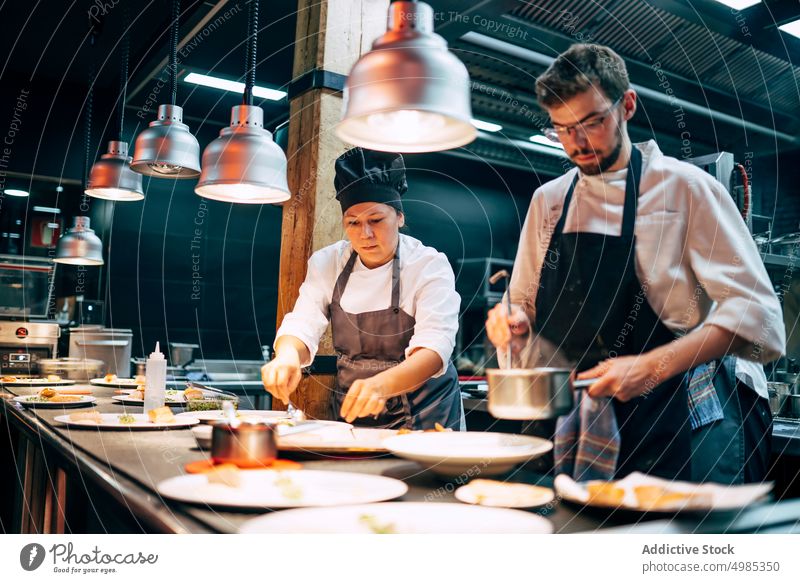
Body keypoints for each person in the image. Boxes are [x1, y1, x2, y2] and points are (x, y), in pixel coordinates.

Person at [485, 43, 783, 482]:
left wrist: (652, 366)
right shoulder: (548, 201)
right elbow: (523, 305)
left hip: (670, 415)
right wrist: (512, 323)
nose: (578, 143)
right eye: (562, 129)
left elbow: (758, 317)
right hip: (570, 414)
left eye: (592, 122)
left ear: (627, 106)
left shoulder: (685, 190)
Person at [262, 147, 464, 429]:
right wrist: (287, 357)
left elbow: (434, 349)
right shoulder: (328, 262)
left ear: (400, 217)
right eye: (353, 223)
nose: (365, 234)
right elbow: (302, 322)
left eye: (376, 220)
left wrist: (381, 385)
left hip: (426, 417)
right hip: (356, 414)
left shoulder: (428, 264)